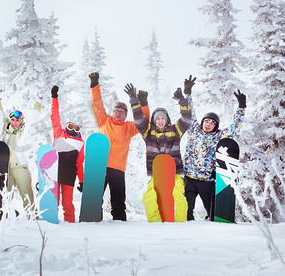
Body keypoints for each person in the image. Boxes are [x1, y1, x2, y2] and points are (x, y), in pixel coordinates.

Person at [125, 80, 192, 222]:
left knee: (179, 195)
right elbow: (138, 119)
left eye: (163, 118)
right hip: (157, 173)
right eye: (158, 118)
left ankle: (180, 223)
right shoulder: (148, 132)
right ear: (154, 121)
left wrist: (182, 101)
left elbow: (186, 119)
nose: (160, 121)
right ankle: (155, 223)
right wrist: (134, 100)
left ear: (167, 119)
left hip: (174, 173)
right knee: (148, 197)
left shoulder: (175, 130)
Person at [183, 75, 246, 221]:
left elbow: (235, 128)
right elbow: (189, 112)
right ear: (202, 122)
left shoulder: (219, 136)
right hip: (189, 179)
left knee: (213, 214)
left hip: (207, 181)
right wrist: (188, 94)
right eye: (206, 121)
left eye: (212, 123)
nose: (208, 124)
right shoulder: (194, 130)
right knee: (185, 212)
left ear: (215, 126)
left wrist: (241, 108)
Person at [89, 72, 149, 221]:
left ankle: (120, 223)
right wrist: (94, 85)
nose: (118, 113)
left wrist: (143, 103)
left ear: (126, 115)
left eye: (122, 112)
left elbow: (144, 121)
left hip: (118, 169)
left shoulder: (129, 127)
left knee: (118, 201)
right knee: (95, 198)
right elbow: (97, 104)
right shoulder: (104, 120)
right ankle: (92, 220)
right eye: (116, 111)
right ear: (112, 112)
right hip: (100, 166)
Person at [0, 97, 41, 215]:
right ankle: (4, 218)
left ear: (21, 122)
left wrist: (38, 103)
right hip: (5, 169)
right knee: (5, 196)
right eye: (12, 120)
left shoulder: (23, 133)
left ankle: (32, 218)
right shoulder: (3, 131)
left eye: (17, 120)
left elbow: (31, 122)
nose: (14, 122)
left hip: (20, 167)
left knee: (27, 195)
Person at [50, 86, 85, 223]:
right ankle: (51, 224)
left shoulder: (80, 143)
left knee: (67, 203)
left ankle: (70, 224)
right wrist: (54, 98)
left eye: (76, 128)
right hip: (54, 172)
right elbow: (55, 116)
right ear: (67, 125)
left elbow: (79, 164)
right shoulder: (59, 133)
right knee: (54, 202)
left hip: (69, 175)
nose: (73, 130)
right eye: (71, 127)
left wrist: (82, 181)